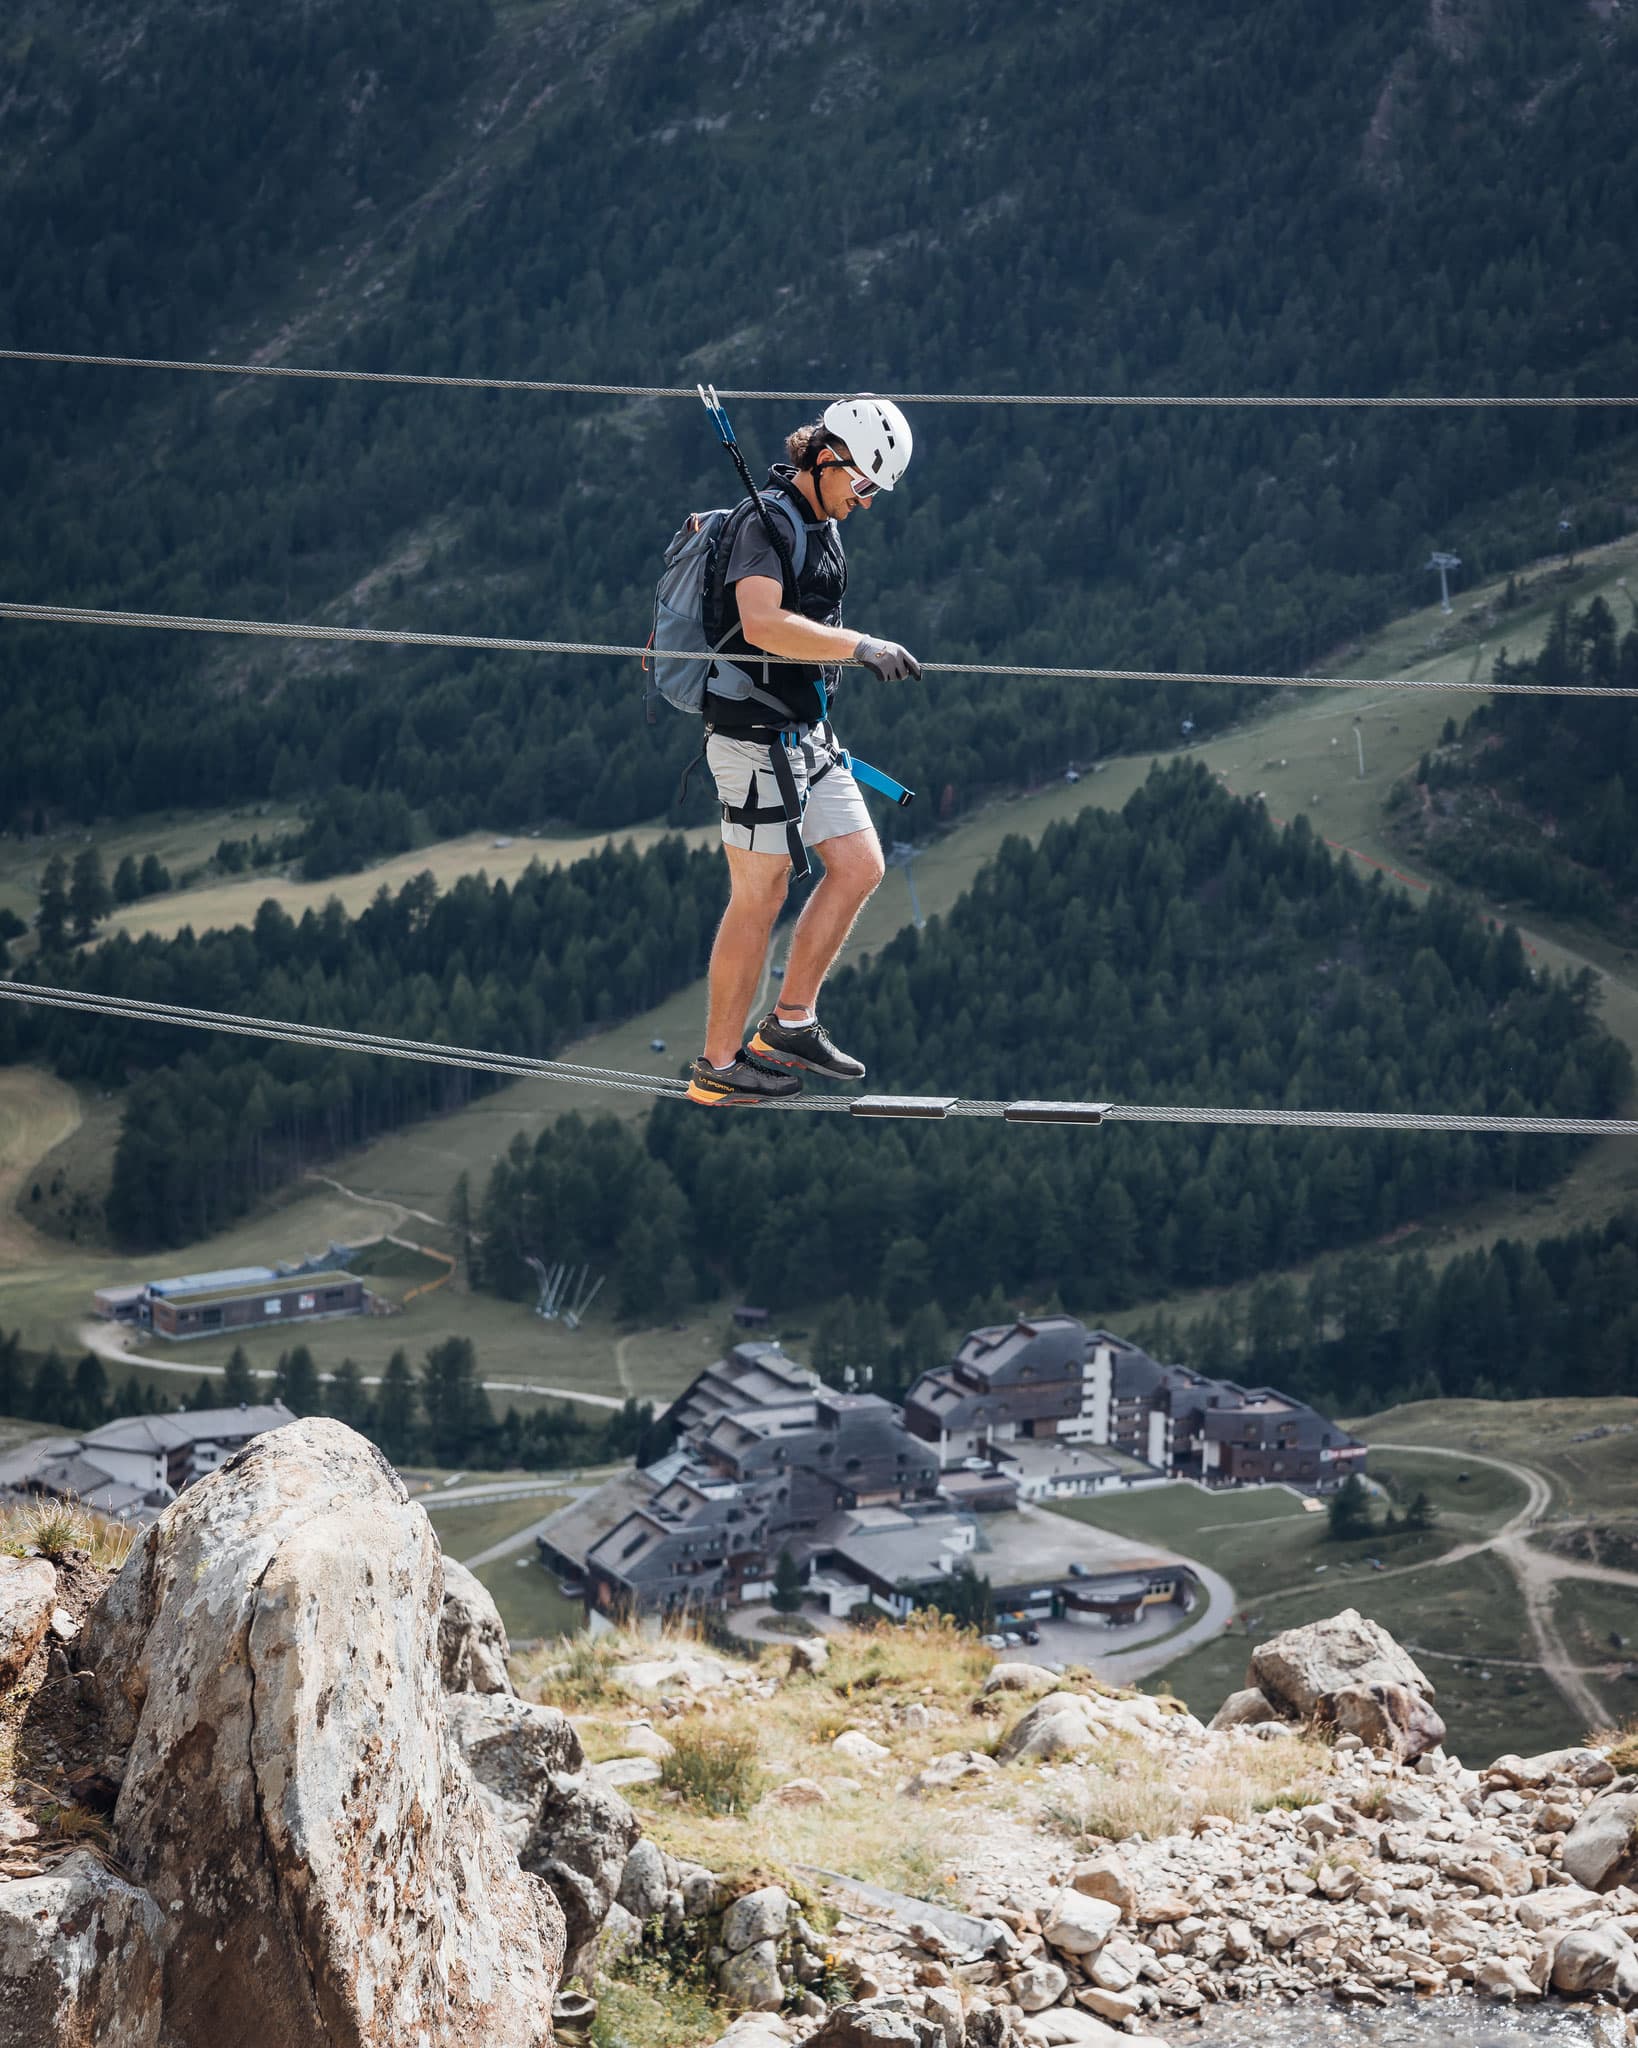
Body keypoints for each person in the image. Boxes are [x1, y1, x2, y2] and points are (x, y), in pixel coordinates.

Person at [685, 396, 921, 1107]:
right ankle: (718, 1065)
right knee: (760, 895)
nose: (867, 500)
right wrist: (861, 647)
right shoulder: (765, 523)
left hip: (806, 736)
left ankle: (790, 1024)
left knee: (859, 865)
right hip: (751, 739)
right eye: (863, 483)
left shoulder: (819, 523)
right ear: (825, 458)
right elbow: (760, 623)